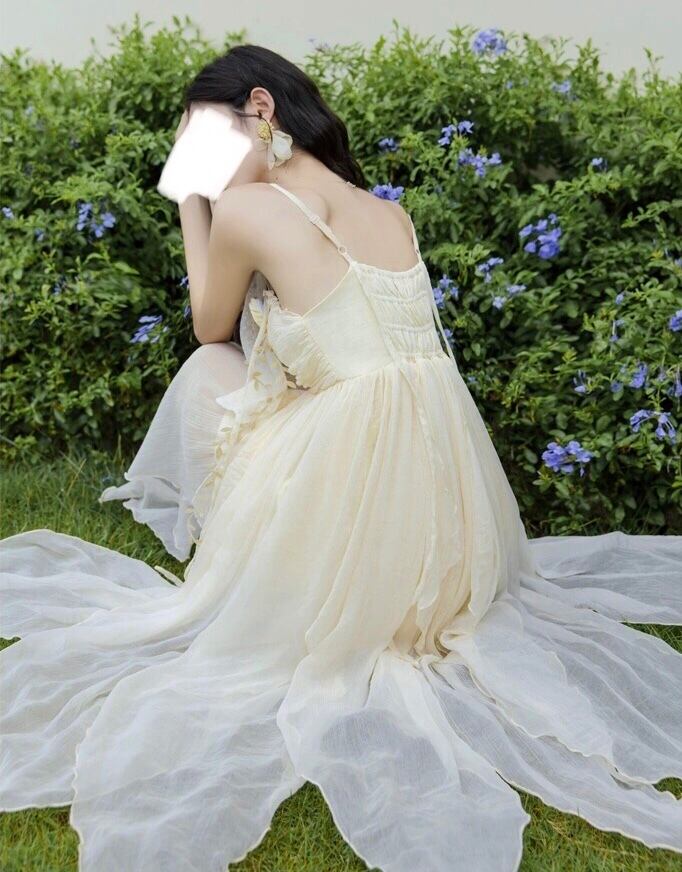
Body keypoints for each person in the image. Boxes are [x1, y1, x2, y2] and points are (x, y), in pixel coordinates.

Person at [1, 44, 680, 872]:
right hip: (453, 529)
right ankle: (336, 559)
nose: (202, 168)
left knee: (209, 369)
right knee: (302, 391)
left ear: (261, 108)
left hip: (359, 503)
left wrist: (191, 205)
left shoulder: (245, 209)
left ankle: (255, 546)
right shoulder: (388, 211)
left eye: (203, 143)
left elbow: (210, 324)